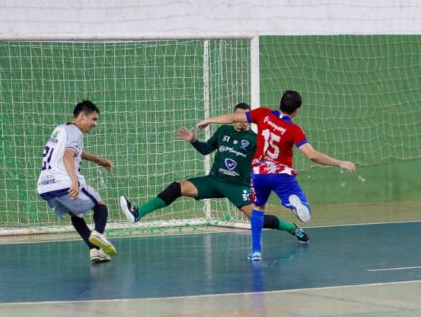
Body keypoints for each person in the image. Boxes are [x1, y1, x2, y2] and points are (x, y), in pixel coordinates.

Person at [196, 91, 356, 262]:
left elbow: (233, 118)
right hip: (281, 175)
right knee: (306, 214)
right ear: (296, 110)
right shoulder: (294, 130)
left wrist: (209, 120)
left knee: (258, 209)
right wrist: (339, 162)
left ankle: (256, 251)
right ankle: (294, 204)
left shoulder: (263, 114)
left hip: (259, 174)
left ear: (280, 103)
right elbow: (312, 155)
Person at [118, 103, 309, 243]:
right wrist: (194, 140)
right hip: (214, 180)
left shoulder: (255, 139)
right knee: (177, 187)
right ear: (234, 117)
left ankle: (292, 228)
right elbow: (206, 150)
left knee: (257, 219)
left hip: (238, 186)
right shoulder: (223, 131)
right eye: (238, 116)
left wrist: (283, 170)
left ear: (248, 119)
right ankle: (138, 213)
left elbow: (268, 158)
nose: (241, 120)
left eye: (245, 117)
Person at [37, 100, 118, 264]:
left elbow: (77, 152)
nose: (95, 124)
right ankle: (98, 234)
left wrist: (99, 160)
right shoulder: (76, 132)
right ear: (82, 116)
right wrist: (74, 181)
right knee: (100, 205)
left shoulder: (60, 130)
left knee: (75, 214)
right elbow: (68, 155)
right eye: (94, 119)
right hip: (64, 181)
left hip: (45, 186)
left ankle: (94, 250)